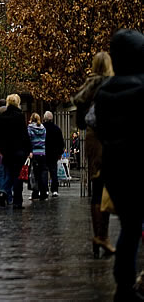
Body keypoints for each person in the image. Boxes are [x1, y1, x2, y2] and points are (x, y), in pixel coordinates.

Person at [96, 29, 144, 301]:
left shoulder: (105, 92)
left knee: (130, 225)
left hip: (116, 167)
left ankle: (123, 284)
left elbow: (102, 131)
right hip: (138, 164)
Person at [73, 51, 115, 257]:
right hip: (109, 137)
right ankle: (103, 235)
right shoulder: (113, 85)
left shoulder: (87, 88)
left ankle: (100, 235)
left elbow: (80, 122)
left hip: (92, 138)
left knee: (97, 186)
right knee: (109, 184)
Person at [0, 93, 31, 209]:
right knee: (18, 176)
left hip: (6, 151)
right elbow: (24, 134)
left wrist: (1, 149)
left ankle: (3, 191)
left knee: (8, 173)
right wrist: (28, 149)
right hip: (19, 151)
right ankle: (17, 201)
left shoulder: (1, 117)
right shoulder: (20, 116)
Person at [42, 111, 65, 197]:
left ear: (44, 118)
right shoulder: (57, 129)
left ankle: (45, 190)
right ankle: (54, 190)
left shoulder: (42, 128)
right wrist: (60, 152)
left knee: (44, 172)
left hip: (44, 153)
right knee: (53, 172)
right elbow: (61, 142)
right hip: (54, 154)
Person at [27, 113, 48, 201]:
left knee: (34, 174)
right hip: (42, 153)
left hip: (34, 153)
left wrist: (29, 151)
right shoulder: (43, 128)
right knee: (43, 173)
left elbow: (28, 141)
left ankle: (35, 193)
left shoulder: (29, 128)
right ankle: (43, 193)